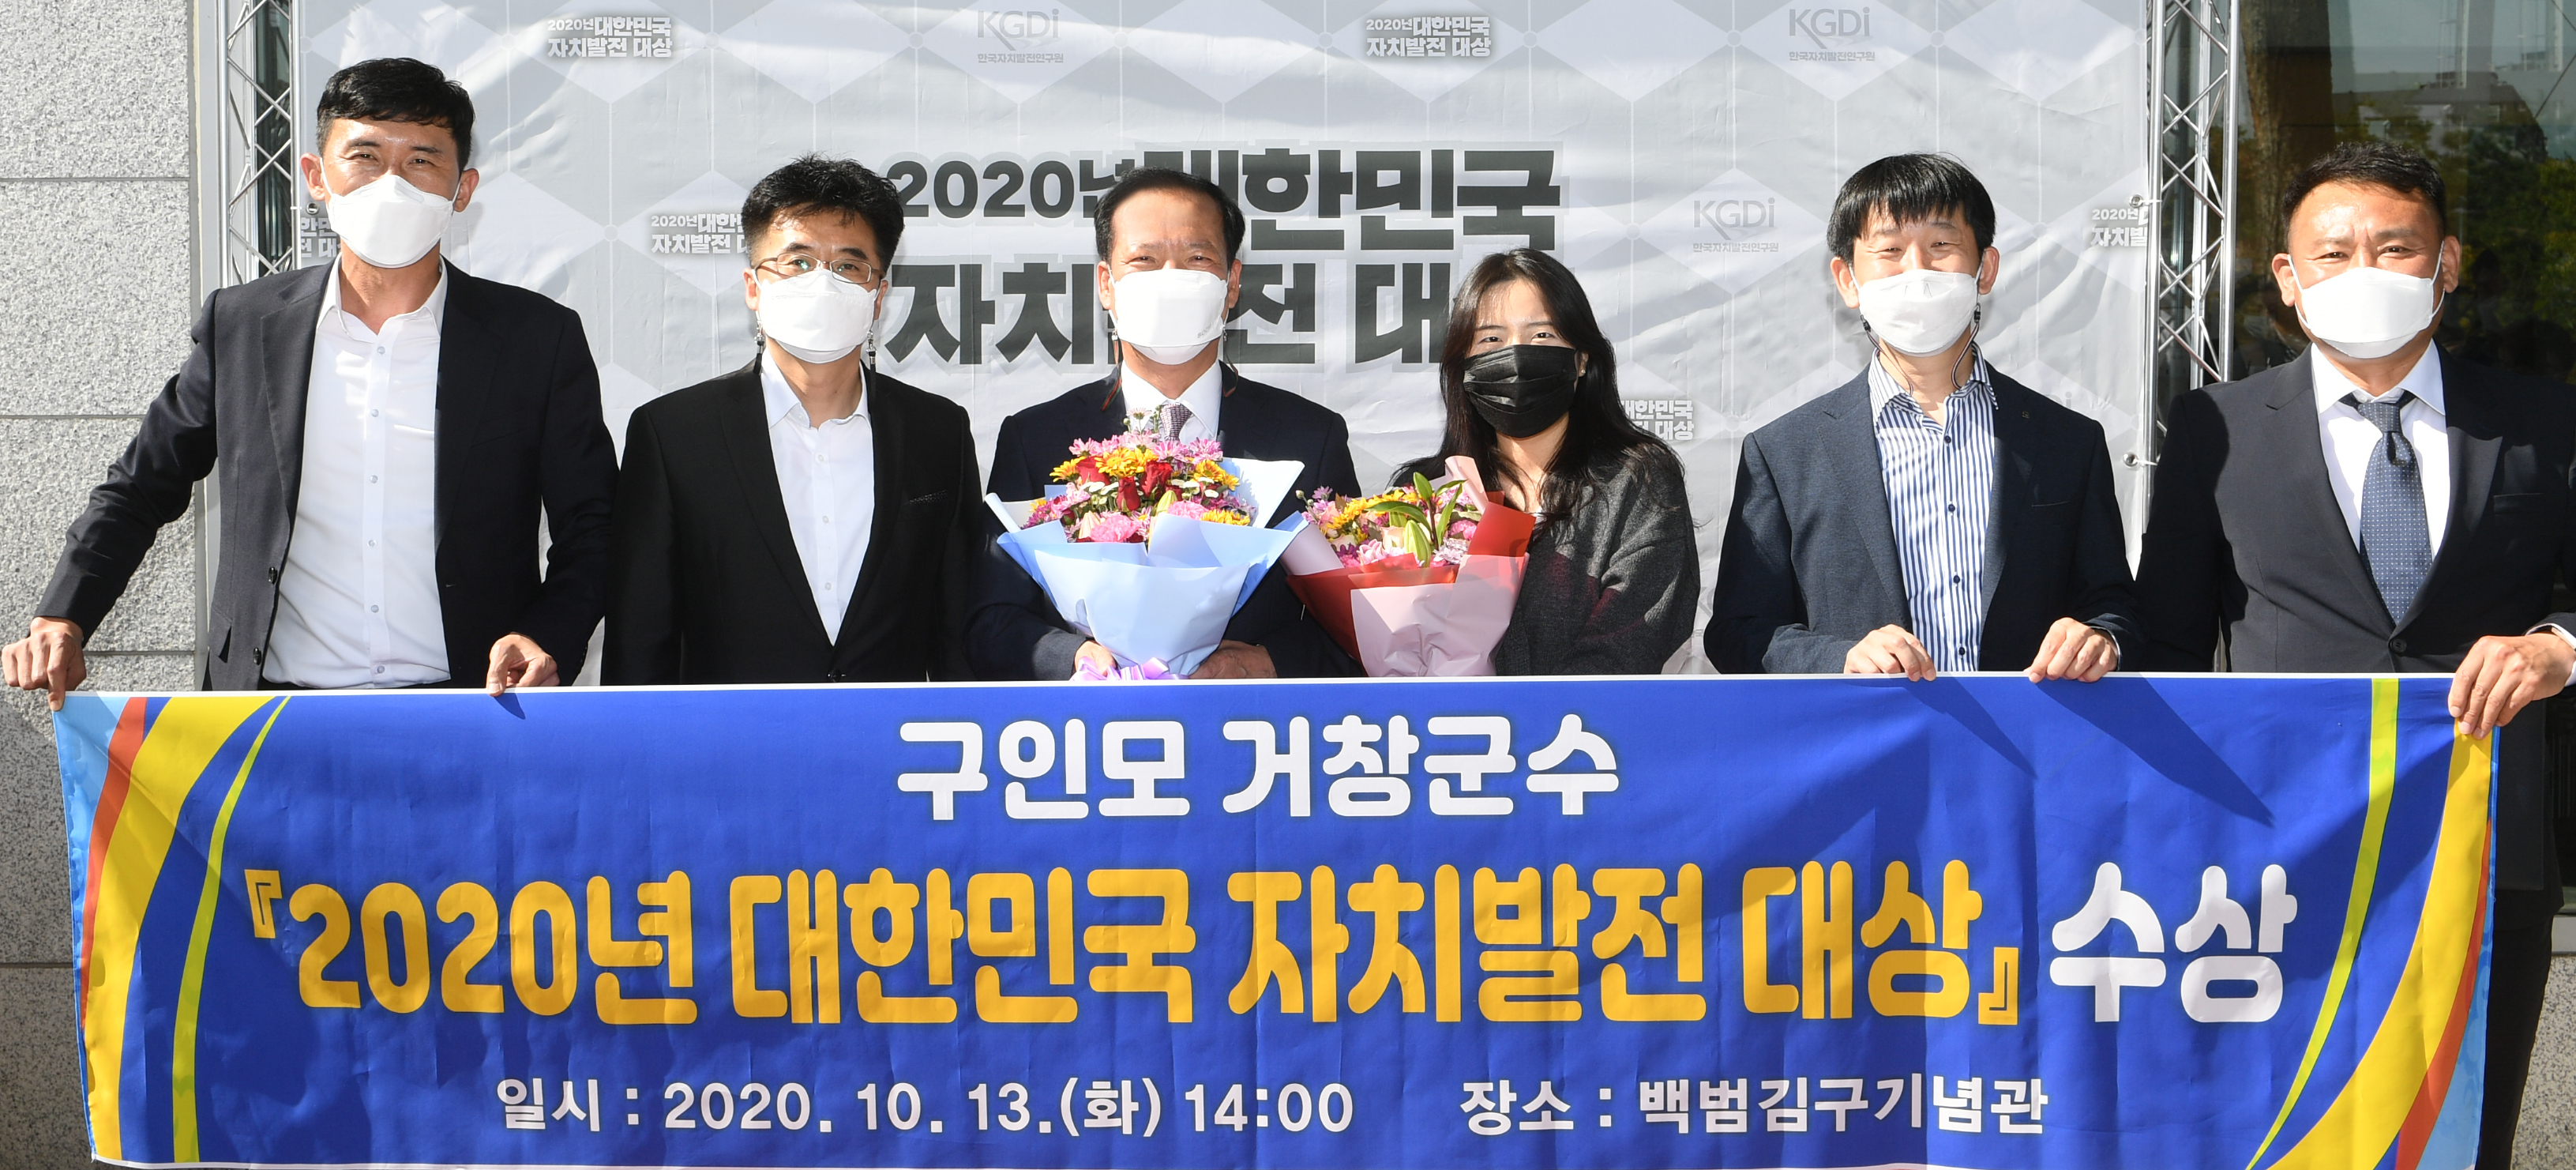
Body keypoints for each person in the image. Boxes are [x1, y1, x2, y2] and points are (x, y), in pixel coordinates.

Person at [2134, 140, 2568, 1166]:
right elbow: (2166, 636)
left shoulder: (2546, 422)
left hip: (2485, 853)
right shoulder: (2215, 428)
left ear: (2445, 263)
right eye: (2332, 253)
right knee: (2279, 1134)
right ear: (2287, 279)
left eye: (2394, 247)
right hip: (2280, 858)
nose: (2362, 270)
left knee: (2461, 1137)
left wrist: (2557, 646)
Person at [1, 58, 614, 705]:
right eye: (366, 157)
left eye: (421, 160)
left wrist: (544, 634)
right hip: (270, 715)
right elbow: (140, 488)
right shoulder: (244, 327)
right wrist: (63, 616)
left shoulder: (535, 339)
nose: (392, 184)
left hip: (471, 708)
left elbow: (594, 526)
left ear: (461, 190)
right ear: (318, 177)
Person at [1707, 154, 2136, 681]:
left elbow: (2114, 606)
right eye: (1889, 250)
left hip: (2026, 729)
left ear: (1986, 269)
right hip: (1867, 728)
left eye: (1941, 246)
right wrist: (1840, 659)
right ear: (1847, 280)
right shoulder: (1784, 453)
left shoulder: (2068, 441)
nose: (1917, 271)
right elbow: (1739, 631)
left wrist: (2100, 638)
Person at [967, 167, 1361, 680]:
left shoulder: (1309, 437)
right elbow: (990, 621)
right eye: (1144, 260)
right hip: (1089, 723)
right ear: (1106, 284)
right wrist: (1075, 658)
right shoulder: (1036, 437)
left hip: (1257, 722)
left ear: (1232, 283)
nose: (1171, 278)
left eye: (1197, 258)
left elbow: (1358, 621)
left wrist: (1266, 662)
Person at [605, 156, 979, 684]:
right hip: (731, 735)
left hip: (893, 734)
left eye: (848, 266)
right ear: (753, 287)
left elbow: (958, 636)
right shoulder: (674, 436)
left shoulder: (937, 432)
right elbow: (640, 643)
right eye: (798, 262)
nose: (821, 283)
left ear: (878, 296)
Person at [1397, 249, 1696, 674]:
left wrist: (1536, 710)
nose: (1516, 357)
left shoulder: (1639, 482)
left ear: (1582, 359)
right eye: (1491, 340)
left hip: (1585, 717)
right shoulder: (1423, 492)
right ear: (1464, 367)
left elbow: (1632, 642)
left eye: (1541, 335)